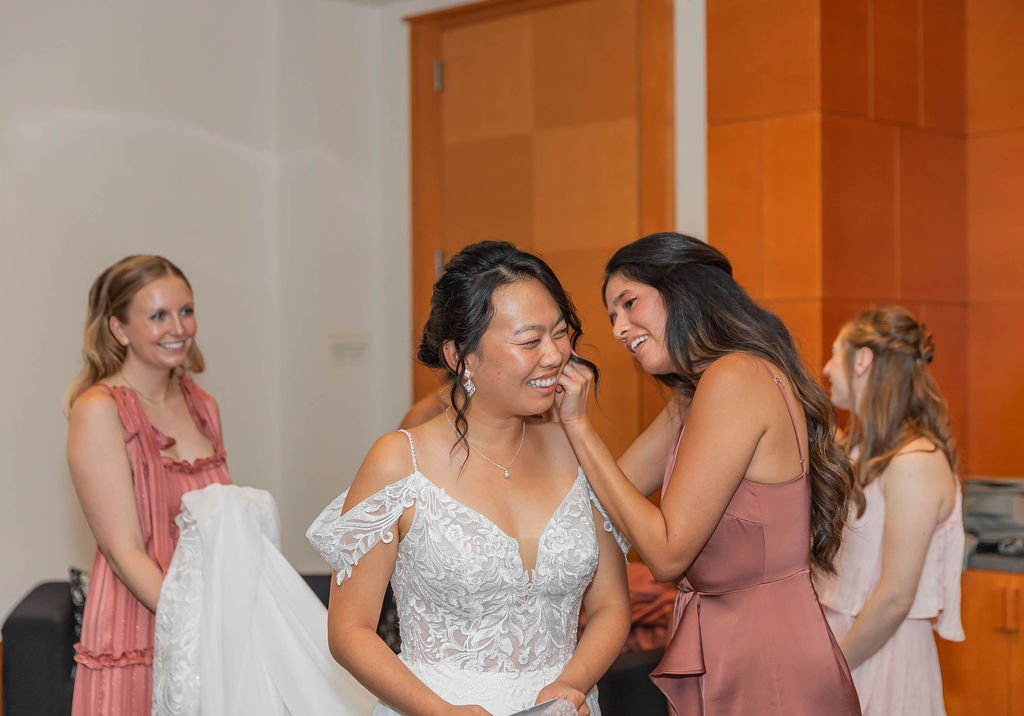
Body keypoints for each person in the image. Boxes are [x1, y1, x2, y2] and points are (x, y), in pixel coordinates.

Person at [307, 241, 632, 716]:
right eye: (529, 341)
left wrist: (571, 686)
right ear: (461, 356)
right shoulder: (399, 460)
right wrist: (442, 713)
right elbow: (349, 630)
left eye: (560, 333)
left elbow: (611, 606)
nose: (554, 356)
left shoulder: (578, 451)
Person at [553, 232, 861, 716]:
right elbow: (603, 493)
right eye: (613, 315)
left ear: (685, 290)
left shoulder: (734, 377)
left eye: (629, 303)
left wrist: (577, 424)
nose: (618, 328)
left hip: (765, 654)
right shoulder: (694, 394)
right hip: (723, 640)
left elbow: (668, 553)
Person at [65, 255, 232, 714]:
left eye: (186, 310)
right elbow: (124, 551)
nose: (178, 328)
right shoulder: (99, 410)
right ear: (120, 329)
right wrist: (191, 622)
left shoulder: (205, 407)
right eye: (158, 315)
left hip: (211, 621)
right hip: (140, 622)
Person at [815, 306, 965, 715]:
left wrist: (832, 671)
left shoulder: (916, 460)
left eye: (835, 353)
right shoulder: (859, 452)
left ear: (862, 360)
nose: (827, 368)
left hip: (880, 655)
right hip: (840, 643)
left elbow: (896, 597)